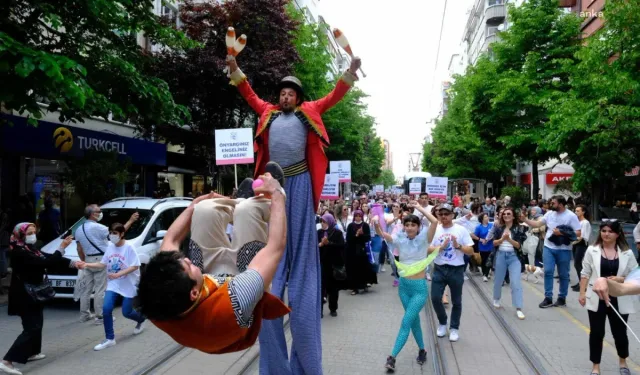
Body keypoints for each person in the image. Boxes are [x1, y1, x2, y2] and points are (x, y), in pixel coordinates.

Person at [227, 52, 362, 375]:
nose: (285, 96)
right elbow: (248, 93)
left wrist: (350, 72)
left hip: (300, 182)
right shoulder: (268, 113)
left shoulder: (309, 111)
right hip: (273, 184)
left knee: (301, 253)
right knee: (272, 258)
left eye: (291, 93)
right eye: (282, 93)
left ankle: (304, 357)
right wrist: (234, 69)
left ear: (298, 98)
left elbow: (334, 96)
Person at [136, 172, 291, 355]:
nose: (187, 259)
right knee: (249, 211)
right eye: (189, 266)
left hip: (207, 288)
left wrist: (194, 205)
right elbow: (275, 247)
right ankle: (251, 203)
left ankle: (237, 202)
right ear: (194, 293)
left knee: (204, 210)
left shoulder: (156, 299)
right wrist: (277, 194)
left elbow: (171, 238)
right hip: (235, 292)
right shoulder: (236, 301)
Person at [1, 223, 77, 375]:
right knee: (32, 327)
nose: (33, 235)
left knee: (37, 322)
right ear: (20, 235)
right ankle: (7, 361)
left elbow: (45, 256)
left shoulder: (29, 248)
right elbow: (44, 263)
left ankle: (32, 352)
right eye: (29, 233)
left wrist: (73, 263)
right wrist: (61, 246)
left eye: (34, 232)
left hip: (34, 293)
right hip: (24, 294)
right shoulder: (18, 251)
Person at [373, 203, 438, 373]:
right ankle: (422, 350)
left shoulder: (424, 239)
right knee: (414, 321)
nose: (409, 227)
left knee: (405, 322)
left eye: (413, 225)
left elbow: (435, 222)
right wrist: (376, 225)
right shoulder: (400, 239)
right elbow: (383, 235)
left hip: (419, 289)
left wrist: (419, 208)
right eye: (407, 224)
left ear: (418, 227)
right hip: (404, 288)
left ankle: (392, 357)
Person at [578, 220, 637, 375]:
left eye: (610, 231)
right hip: (597, 297)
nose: (606, 234)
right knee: (597, 333)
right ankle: (595, 367)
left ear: (618, 234)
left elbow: (634, 276)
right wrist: (582, 293)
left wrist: (620, 279)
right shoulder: (592, 250)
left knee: (620, 333)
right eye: (603, 231)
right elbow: (585, 273)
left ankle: (623, 363)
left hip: (619, 297)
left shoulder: (627, 252)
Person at [77, 223, 146, 351]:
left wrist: (119, 273)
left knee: (127, 312)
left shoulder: (129, 247)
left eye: (115, 233)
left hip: (129, 283)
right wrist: (86, 265)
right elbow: (102, 264)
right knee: (106, 308)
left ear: (122, 234)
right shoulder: (110, 247)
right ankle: (110, 339)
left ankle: (141, 319)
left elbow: (135, 265)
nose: (111, 236)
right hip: (113, 283)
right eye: (110, 233)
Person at [74, 205, 138, 324]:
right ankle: (100, 316)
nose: (100, 213)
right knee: (100, 289)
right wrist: (131, 220)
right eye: (99, 211)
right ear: (93, 214)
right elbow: (118, 233)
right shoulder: (98, 227)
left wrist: (84, 262)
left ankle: (84, 315)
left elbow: (79, 249)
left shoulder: (78, 229)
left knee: (86, 289)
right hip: (101, 259)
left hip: (87, 259)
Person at [522, 195, 581, 308]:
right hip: (548, 247)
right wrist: (525, 220)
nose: (551, 205)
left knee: (563, 274)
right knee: (548, 271)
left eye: (553, 203)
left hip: (564, 249)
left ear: (561, 204)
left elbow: (578, 232)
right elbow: (538, 224)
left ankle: (562, 298)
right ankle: (548, 297)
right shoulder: (549, 213)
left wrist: (562, 233)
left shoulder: (571, 216)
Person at [429, 204, 475, 342]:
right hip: (439, 268)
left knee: (456, 301)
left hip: (456, 269)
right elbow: (427, 248)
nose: (444, 216)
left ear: (452, 215)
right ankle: (443, 322)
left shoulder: (461, 230)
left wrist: (458, 246)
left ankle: (454, 328)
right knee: (436, 298)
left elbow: (471, 251)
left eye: (446, 214)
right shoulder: (435, 230)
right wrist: (440, 247)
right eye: (441, 214)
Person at [491, 207, 528, 320]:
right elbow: (494, 243)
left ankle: (518, 308)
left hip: (514, 257)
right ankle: (496, 298)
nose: (506, 215)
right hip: (501, 255)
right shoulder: (499, 228)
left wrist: (509, 239)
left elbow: (518, 245)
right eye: (504, 214)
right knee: (498, 280)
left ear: (513, 216)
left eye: (508, 214)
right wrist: (502, 239)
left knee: (515, 282)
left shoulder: (520, 228)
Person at [317, 213, 345, 318]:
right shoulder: (319, 233)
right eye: (321, 221)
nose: (323, 224)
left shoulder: (337, 233)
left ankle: (333, 308)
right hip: (321, 264)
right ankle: (319, 310)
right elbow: (313, 246)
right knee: (320, 288)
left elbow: (341, 246)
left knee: (333, 289)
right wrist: (320, 245)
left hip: (333, 264)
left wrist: (329, 243)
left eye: (324, 221)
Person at [345, 210, 375, 295]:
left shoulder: (365, 225)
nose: (358, 217)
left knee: (363, 268)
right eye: (356, 216)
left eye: (359, 216)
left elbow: (368, 237)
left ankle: (364, 284)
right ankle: (354, 288)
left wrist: (362, 234)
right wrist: (356, 235)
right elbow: (348, 239)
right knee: (353, 269)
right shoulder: (351, 226)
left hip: (363, 250)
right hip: (352, 250)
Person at [571, 204, 592, 292]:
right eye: (575, 211)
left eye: (578, 211)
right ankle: (580, 282)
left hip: (581, 244)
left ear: (583, 212)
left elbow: (583, 236)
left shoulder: (585, 222)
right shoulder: (577, 222)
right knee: (577, 264)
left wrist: (574, 241)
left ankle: (582, 284)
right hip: (575, 243)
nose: (576, 212)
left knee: (577, 264)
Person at [474, 213, 494, 282]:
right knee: (484, 260)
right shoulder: (478, 227)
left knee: (489, 260)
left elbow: (494, 233)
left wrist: (490, 238)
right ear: (482, 219)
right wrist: (481, 239)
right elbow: (474, 236)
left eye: (487, 216)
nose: (487, 218)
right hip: (482, 246)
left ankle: (486, 274)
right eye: (485, 217)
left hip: (490, 246)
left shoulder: (491, 225)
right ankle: (484, 274)